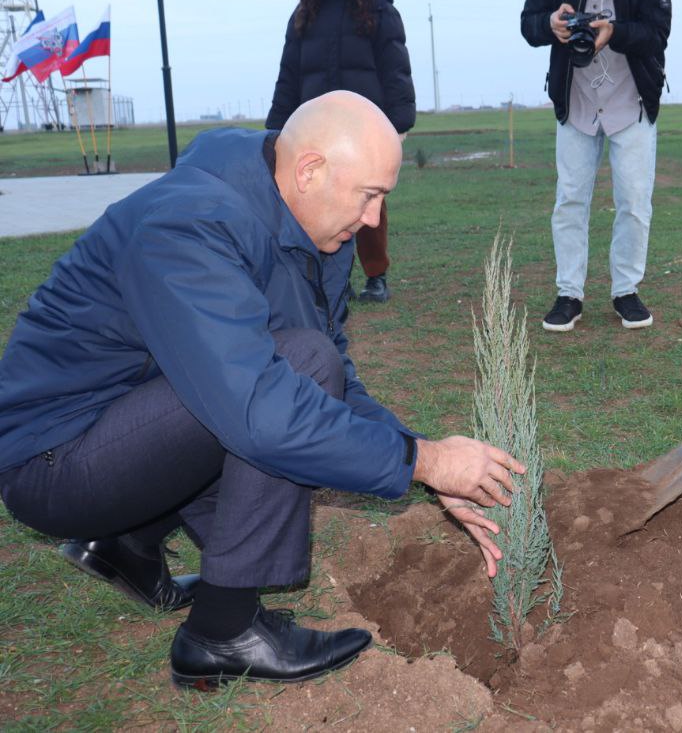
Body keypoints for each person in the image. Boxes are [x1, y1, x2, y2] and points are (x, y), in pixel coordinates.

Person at [0, 92, 523, 689]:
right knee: (286, 379)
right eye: (370, 195)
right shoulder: (189, 223)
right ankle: (221, 633)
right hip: (52, 461)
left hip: (122, 430)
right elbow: (262, 407)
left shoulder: (304, 222)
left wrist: (423, 456)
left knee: (300, 367)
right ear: (309, 171)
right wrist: (424, 463)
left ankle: (130, 541)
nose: (375, 219)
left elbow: (335, 384)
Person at [520, 0, 672, 332]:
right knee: (569, 200)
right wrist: (550, 23)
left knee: (635, 201)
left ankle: (626, 291)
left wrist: (616, 31)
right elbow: (528, 24)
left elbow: (659, 31)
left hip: (633, 100)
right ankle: (569, 293)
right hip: (577, 101)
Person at [266, 0, 415, 305]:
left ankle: (376, 275)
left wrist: (399, 123)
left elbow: (395, 66)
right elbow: (289, 74)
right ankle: (331, 278)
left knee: (367, 201)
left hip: (364, 126)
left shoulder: (377, 5)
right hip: (314, 126)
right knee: (316, 200)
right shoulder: (305, 11)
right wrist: (276, 129)